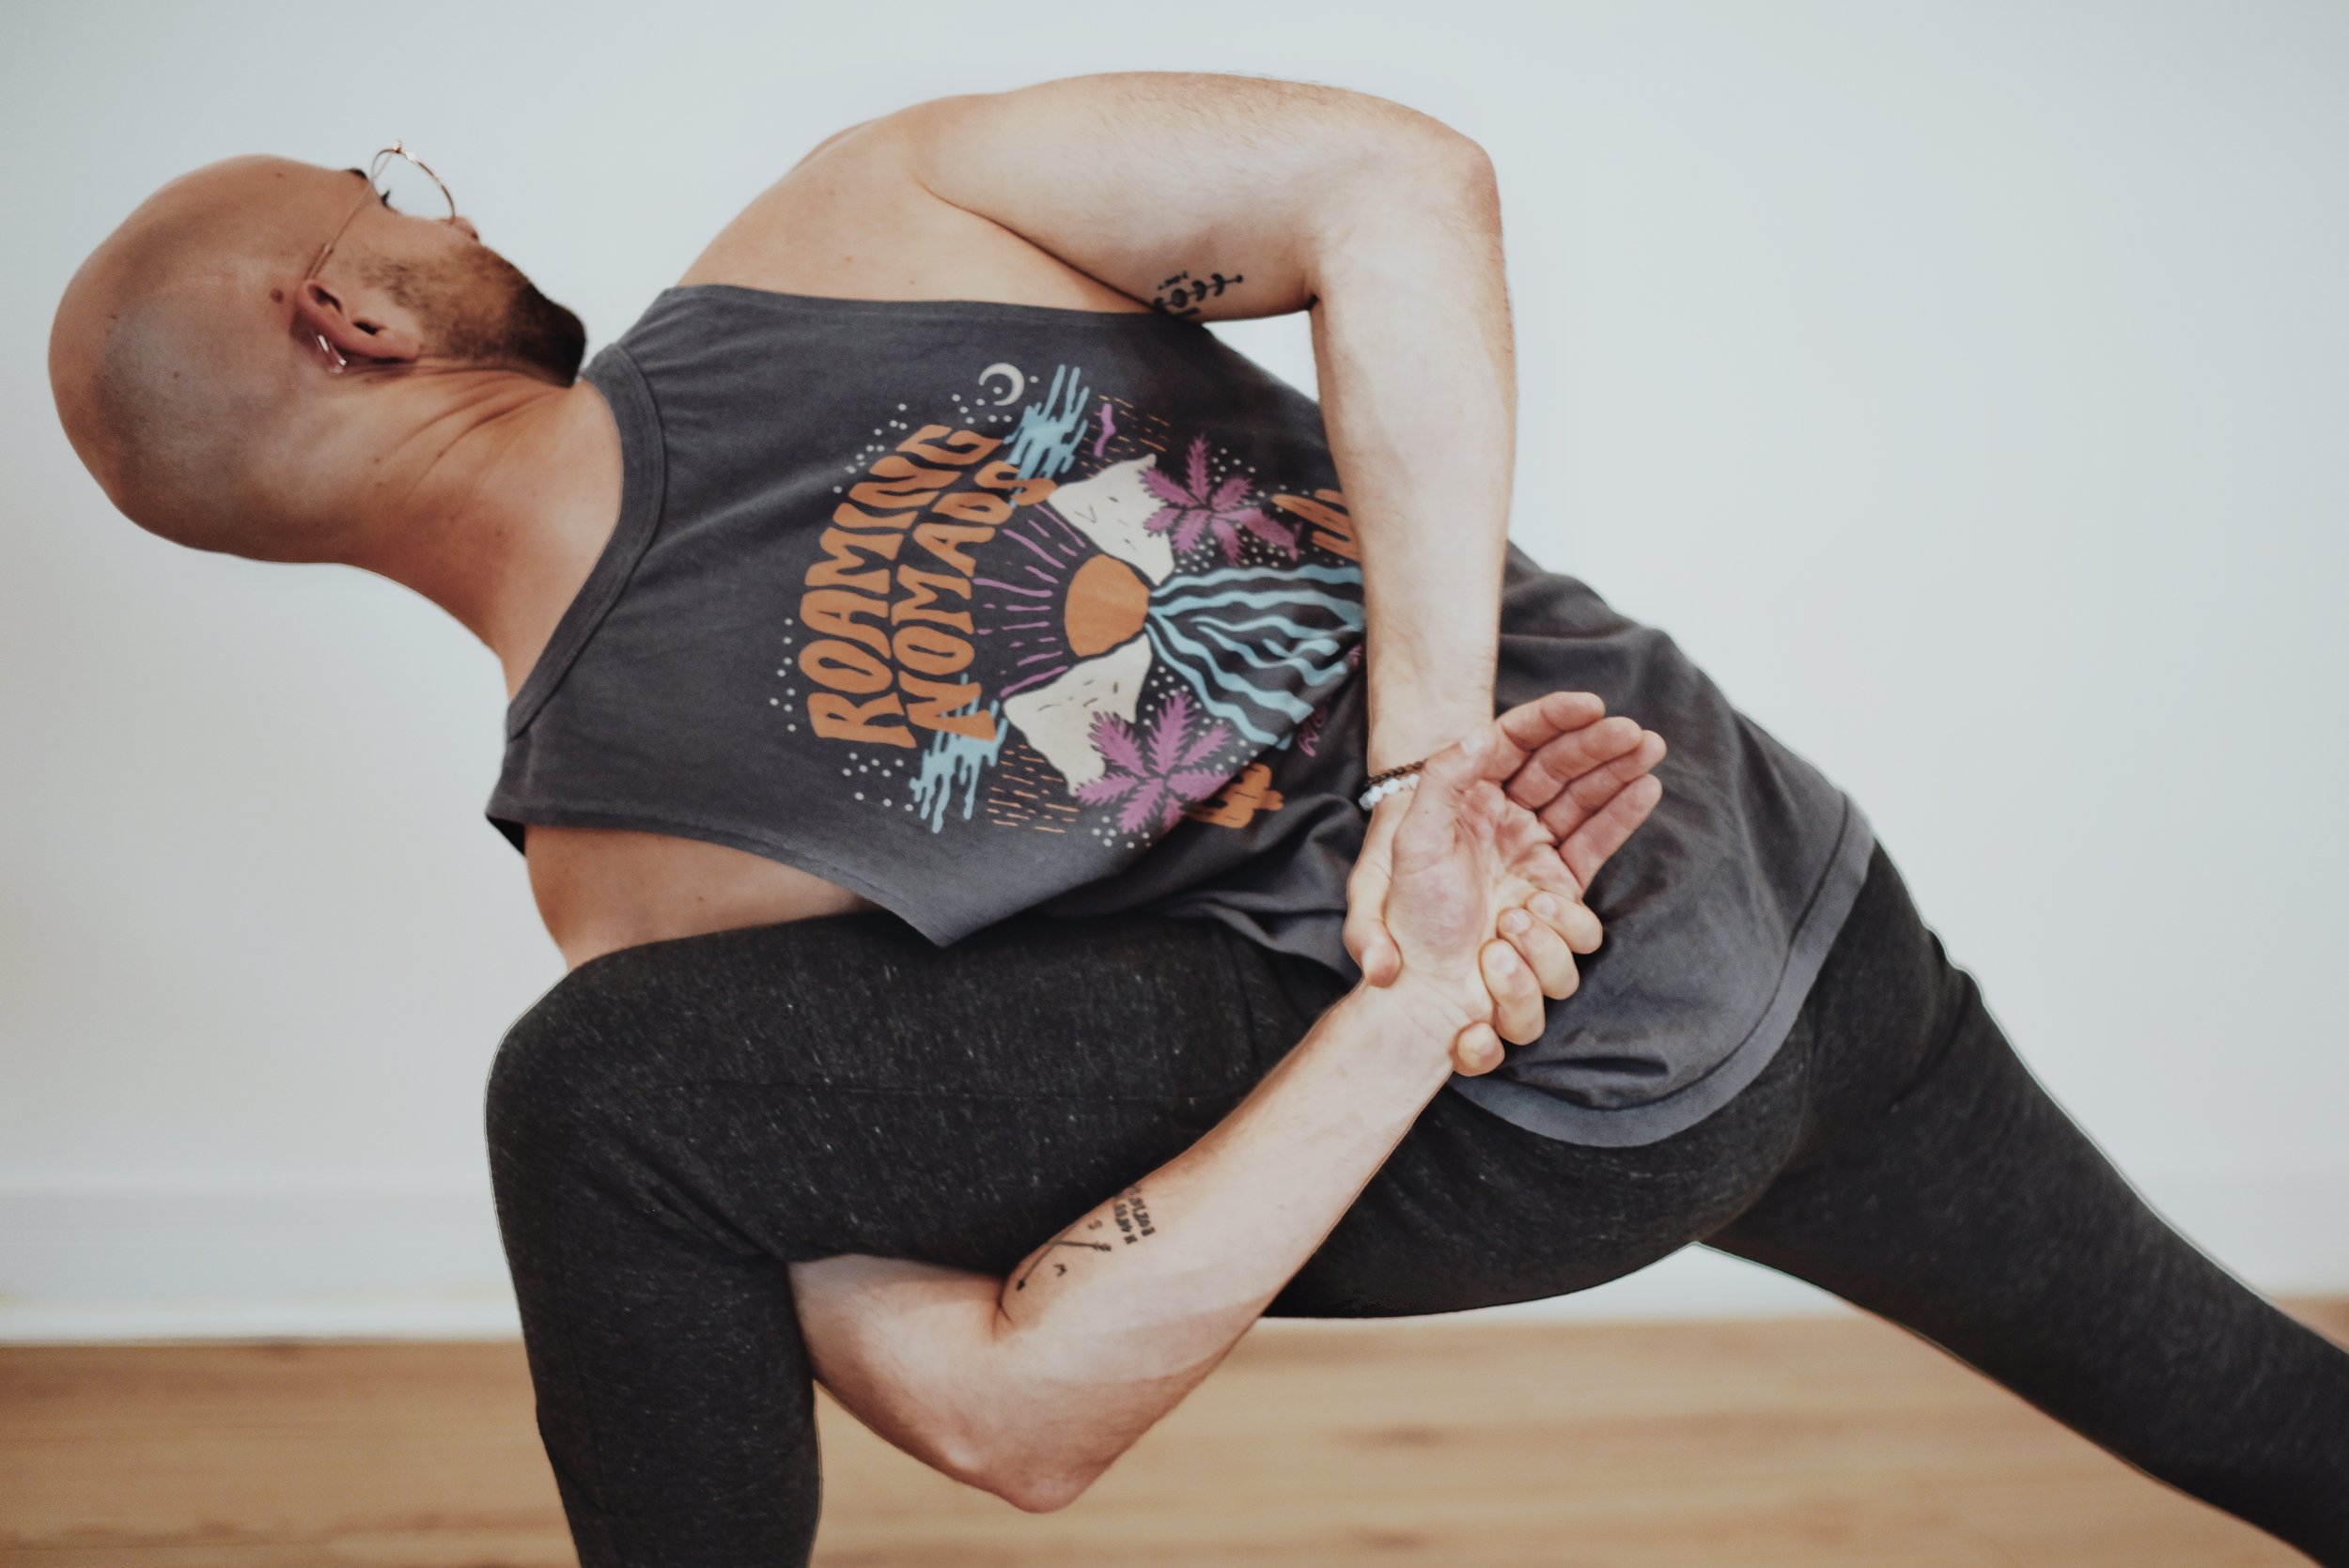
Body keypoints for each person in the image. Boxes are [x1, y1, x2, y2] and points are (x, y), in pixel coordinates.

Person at [46, 70, 2347, 1568]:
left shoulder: (838, 279)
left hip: (1782, 934)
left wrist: (1427, 781)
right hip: (1592, 1037)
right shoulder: (644, 846)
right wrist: (1406, 1000)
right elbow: (1007, 1417)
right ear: (346, 316)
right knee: (608, 1092)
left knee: (2255, 1406)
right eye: (389, 198)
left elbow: (1395, 185)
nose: (432, 203)